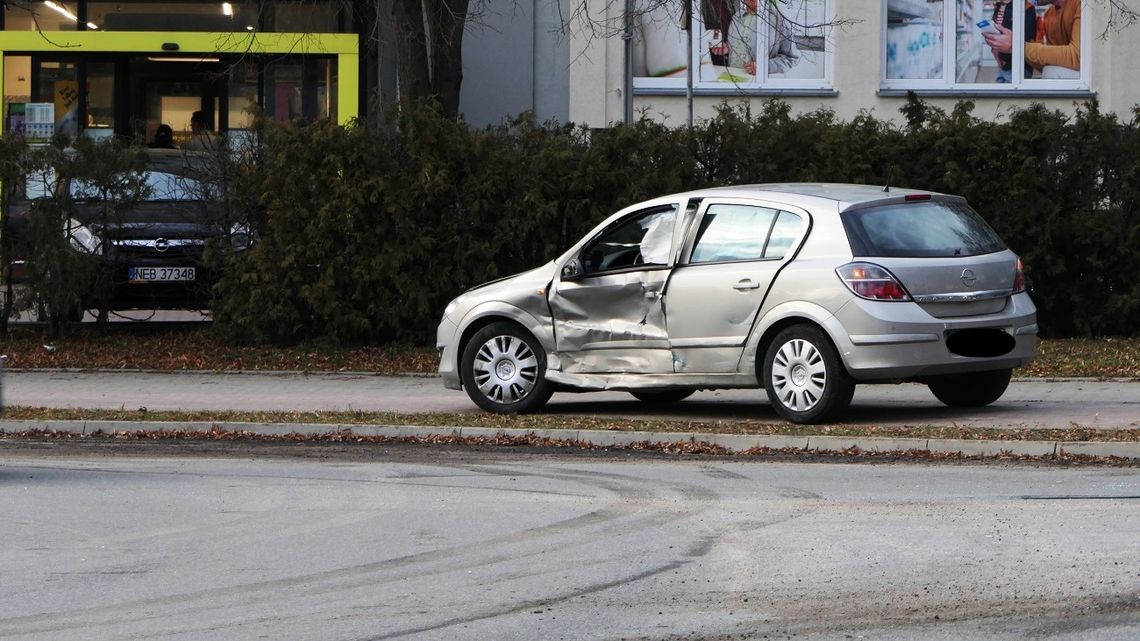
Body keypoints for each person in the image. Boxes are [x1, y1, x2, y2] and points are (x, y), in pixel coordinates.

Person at [984, 0, 1079, 80]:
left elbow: (1078, 57)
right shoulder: (1048, 15)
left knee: (1051, 72)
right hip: (1008, 66)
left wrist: (1017, 46)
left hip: (1086, 76)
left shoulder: (1082, 4)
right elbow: (1050, 61)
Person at [727, 0, 801, 77]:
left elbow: (791, 59)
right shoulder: (737, 16)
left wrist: (764, 67)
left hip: (757, 82)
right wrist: (726, 49)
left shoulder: (779, 19)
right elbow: (736, 49)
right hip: (732, 78)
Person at [989, 0, 1037, 82]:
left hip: (1019, 66)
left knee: (1013, 92)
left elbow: (1028, 39)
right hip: (1002, 64)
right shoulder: (1000, 6)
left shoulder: (1026, 7)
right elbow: (997, 30)